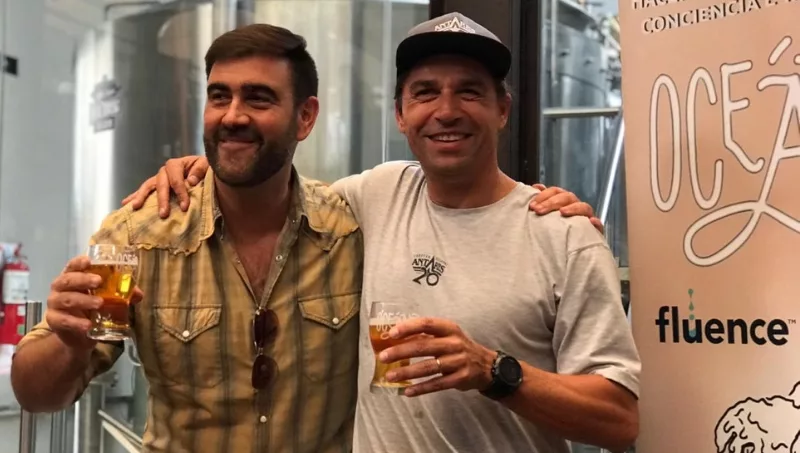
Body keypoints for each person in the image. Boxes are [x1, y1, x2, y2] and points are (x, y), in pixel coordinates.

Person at [11, 21, 596, 453]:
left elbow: (467, 210)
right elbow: (37, 394)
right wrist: (65, 340)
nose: (233, 116)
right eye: (220, 96)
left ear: (306, 117)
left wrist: (538, 209)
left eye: (259, 98)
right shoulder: (140, 232)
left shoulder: (352, 223)